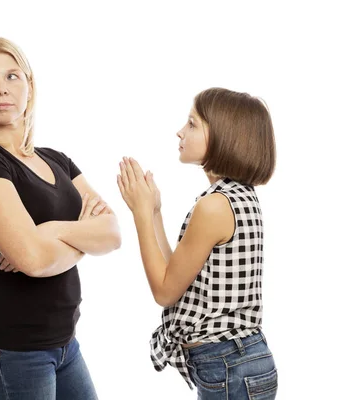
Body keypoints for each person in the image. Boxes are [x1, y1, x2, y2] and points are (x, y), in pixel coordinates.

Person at [0, 37, 121, 399]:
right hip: (7, 351)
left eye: (13, 76)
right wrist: (80, 236)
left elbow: (111, 233)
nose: (1, 88)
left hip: (65, 345)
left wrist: (50, 231)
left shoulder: (57, 159)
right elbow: (32, 260)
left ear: (30, 87)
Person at [117, 87, 278, 399]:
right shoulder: (234, 197)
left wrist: (138, 214)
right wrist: (154, 213)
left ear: (222, 136)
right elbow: (177, 277)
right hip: (238, 360)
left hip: (229, 363)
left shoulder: (214, 206)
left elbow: (164, 292)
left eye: (192, 124)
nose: (180, 131)